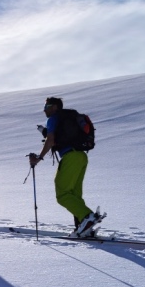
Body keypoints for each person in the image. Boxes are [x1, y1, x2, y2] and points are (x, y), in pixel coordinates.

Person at [29, 97, 101, 237]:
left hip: (70, 157)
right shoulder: (68, 118)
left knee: (62, 194)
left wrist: (39, 157)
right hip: (81, 157)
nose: (44, 110)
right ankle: (83, 227)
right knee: (74, 195)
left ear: (55, 107)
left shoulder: (54, 118)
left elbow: (50, 140)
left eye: (47, 106)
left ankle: (87, 217)